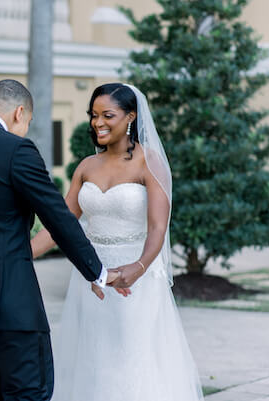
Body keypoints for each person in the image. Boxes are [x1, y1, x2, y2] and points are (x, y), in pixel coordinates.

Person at [0, 79, 120, 401]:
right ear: (20, 113)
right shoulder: (16, 150)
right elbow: (58, 216)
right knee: (30, 394)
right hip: (12, 305)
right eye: (27, 123)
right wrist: (98, 272)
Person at [31, 83, 204, 401]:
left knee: (131, 354)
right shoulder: (85, 166)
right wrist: (18, 254)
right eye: (93, 115)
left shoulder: (148, 162)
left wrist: (138, 267)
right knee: (95, 355)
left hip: (136, 274)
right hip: (92, 276)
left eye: (107, 115)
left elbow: (157, 227)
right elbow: (61, 226)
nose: (98, 122)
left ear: (130, 117)